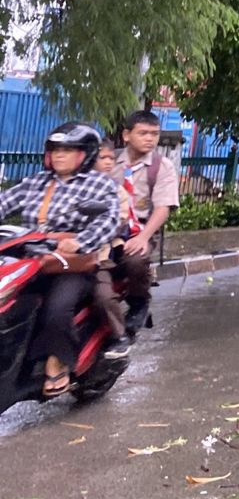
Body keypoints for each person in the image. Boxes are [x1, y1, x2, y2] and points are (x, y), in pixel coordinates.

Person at [0, 123, 119, 396]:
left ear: (84, 155)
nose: (59, 155)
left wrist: (79, 241)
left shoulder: (98, 184)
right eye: (55, 149)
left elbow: (109, 219)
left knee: (56, 308)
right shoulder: (36, 182)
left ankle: (58, 362)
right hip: (30, 260)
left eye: (68, 150)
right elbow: (4, 203)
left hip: (69, 265)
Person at [109, 111, 179, 318]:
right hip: (107, 227)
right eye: (143, 133)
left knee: (135, 260)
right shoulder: (108, 161)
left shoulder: (161, 166)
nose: (150, 139)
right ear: (126, 135)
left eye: (154, 134)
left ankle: (139, 303)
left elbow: (163, 207)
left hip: (139, 229)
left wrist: (143, 237)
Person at [92, 141, 141, 358]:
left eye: (111, 158)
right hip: (55, 254)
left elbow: (118, 221)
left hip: (96, 256)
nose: (108, 163)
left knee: (102, 295)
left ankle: (119, 335)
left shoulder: (116, 191)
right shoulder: (64, 185)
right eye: (103, 157)